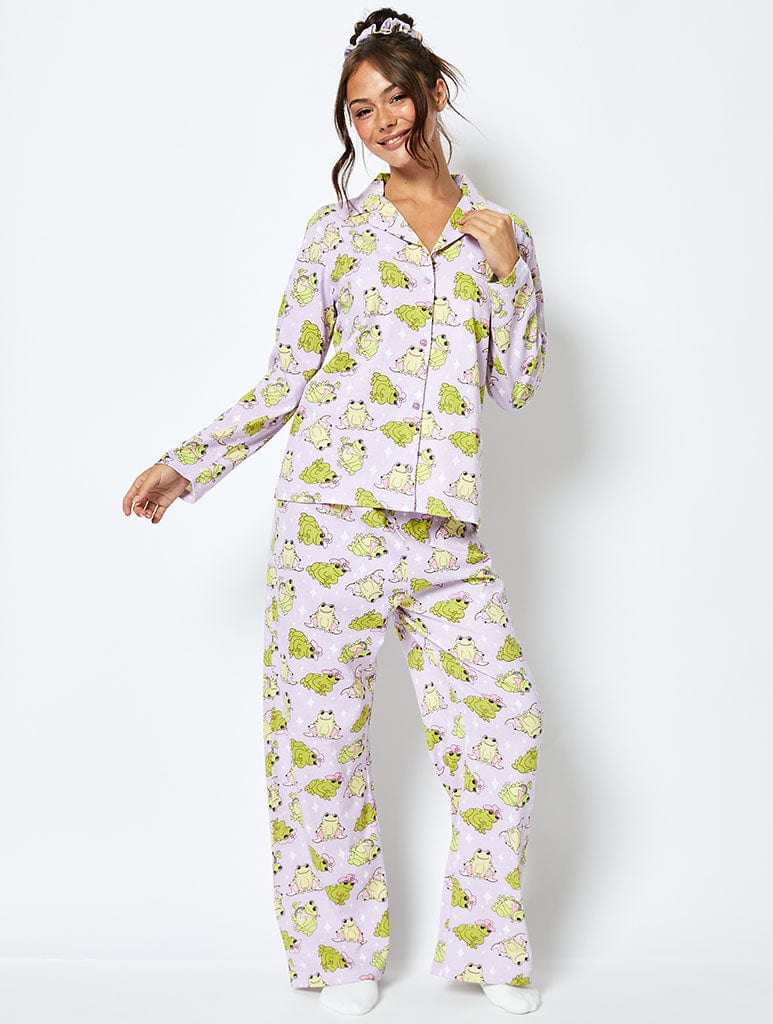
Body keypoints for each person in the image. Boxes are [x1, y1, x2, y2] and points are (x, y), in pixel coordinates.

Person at [123, 8, 549, 1016]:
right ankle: (340, 952)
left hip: (445, 537)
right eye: (361, 110)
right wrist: (190, 463)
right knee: (318, 745)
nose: (382, 122)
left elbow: (519, 385)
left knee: (506, 728)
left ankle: (486, 944)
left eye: (396, 97)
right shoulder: (336, 234)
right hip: (331, 525)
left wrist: (508, 275)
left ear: (433, 94)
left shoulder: (500, 234)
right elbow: (286, 378)